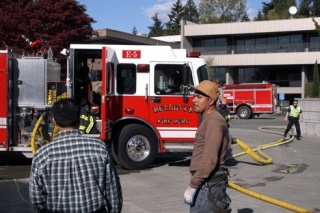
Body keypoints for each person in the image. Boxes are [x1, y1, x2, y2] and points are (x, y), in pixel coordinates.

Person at [29, 98, 122, 213]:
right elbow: (114, 194)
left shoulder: (42, 156)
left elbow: (37, 201)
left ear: (54, 121)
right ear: (79, 118)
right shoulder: (100, 149)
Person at [184, 80, 231, 213]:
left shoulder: (214, 121)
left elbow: (210, 158)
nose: (194, 100)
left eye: (199, 97)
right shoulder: (209, 120)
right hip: (206, 184)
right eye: (194, 96)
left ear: (210, 101)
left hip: (207, 186)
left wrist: (193, 185)